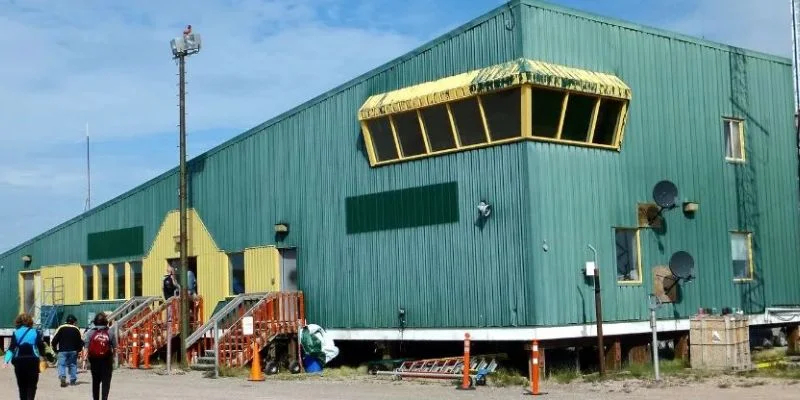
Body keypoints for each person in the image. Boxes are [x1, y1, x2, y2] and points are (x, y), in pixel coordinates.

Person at [3, 313, 46, 400]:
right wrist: (43, 357)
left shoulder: (16, 333)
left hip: (19, 362)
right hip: (33, 361)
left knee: (22, 387)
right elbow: (41, 346)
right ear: (30, 321)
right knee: (32, 386)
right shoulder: (35, 332)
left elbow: (11, 348)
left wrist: (6, 361)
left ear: (18, 322)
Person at [83, 313, 116, 400]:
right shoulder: (110, 332)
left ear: (95, 322)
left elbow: (86, 347)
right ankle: (104, 398)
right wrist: (115, 358)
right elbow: (115, 347)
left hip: (94, 360)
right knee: (106, 382)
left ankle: (96, 398)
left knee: (95, 381)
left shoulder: (90, 332)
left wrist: (84, 360)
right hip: (106, 360)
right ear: (106, 322)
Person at [51, 314, 83, 387]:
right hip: (73, 350)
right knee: (73, 365)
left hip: (62, 350)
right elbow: (80, 341)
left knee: (61, 365)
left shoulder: (61, 328)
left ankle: (62, 377)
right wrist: (79, 350)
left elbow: (54, 340)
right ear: (74, 322)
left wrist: (55, 349)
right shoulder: (76, 329)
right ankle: (73, 380)